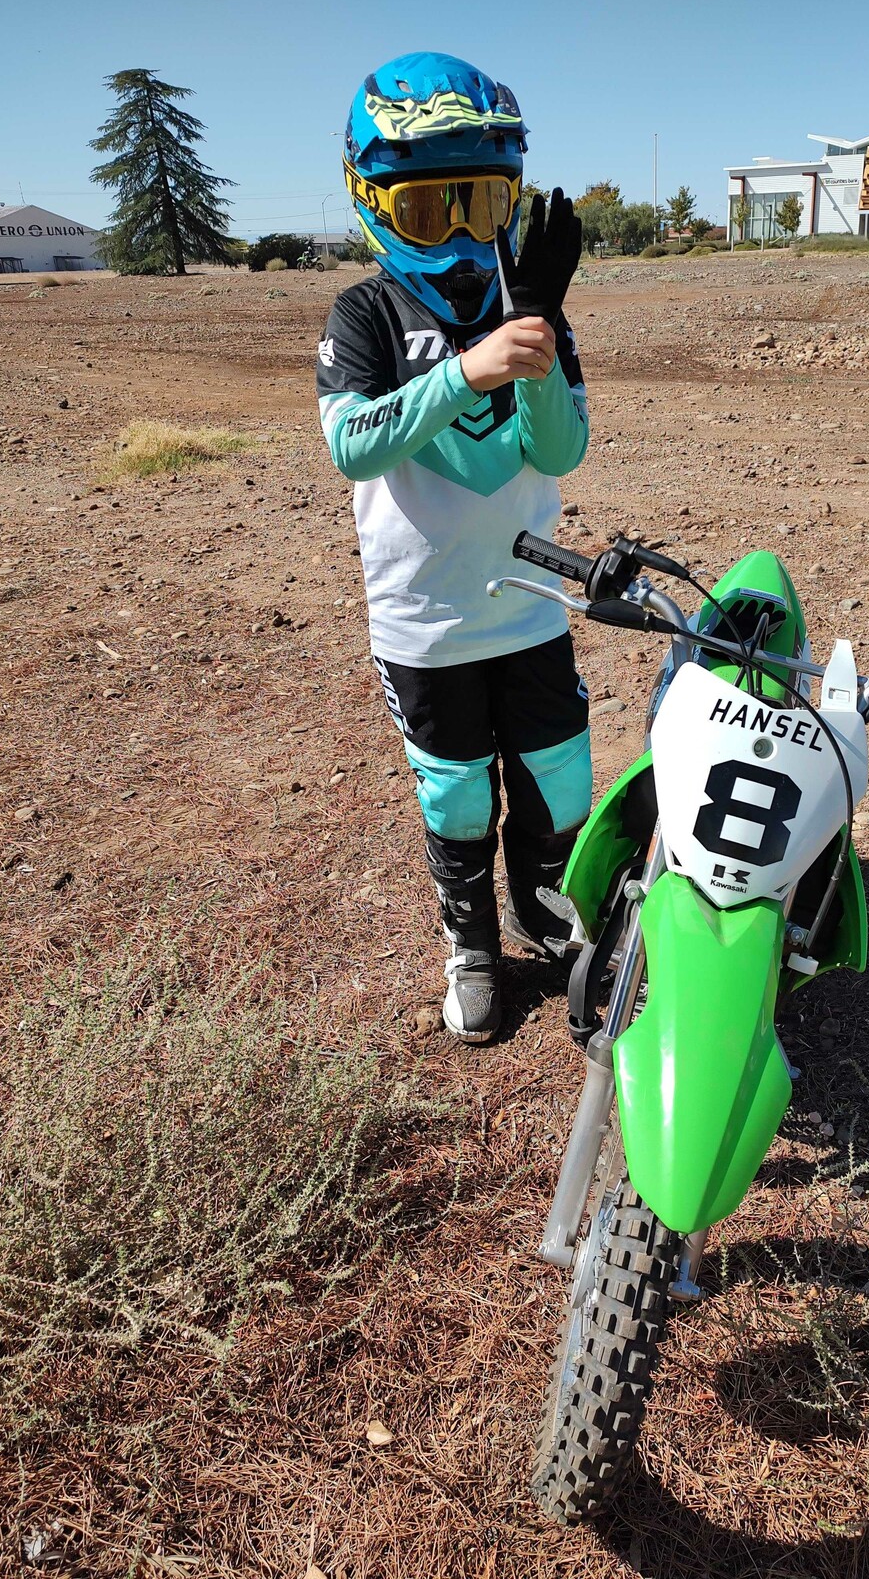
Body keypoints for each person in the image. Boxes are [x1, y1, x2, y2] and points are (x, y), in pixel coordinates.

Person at [316, 53, 590, 1043]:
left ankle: (552, 921)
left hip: (528, 607)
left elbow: (560, 448)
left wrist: (543, 337)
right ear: (376, 204)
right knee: (459, 798)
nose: (470, 236)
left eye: (483, 204)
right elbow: (354, 444)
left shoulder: (528, 303)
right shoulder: (367, 313)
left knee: (559, 787)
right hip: (424, 624)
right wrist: (470, 370)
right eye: (438, 212)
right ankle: (472, 946)